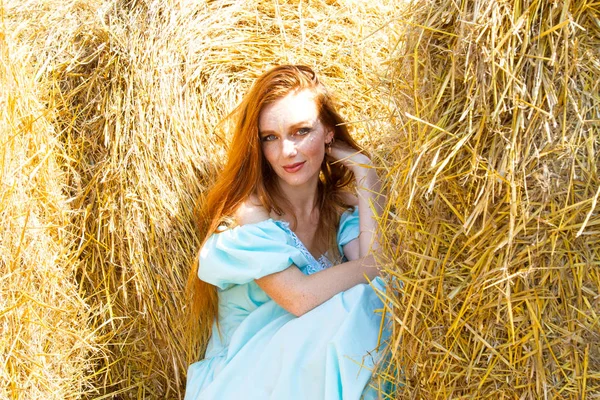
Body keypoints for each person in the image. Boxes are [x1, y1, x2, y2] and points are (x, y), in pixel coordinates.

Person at [185, 65, 389, 400]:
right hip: (247, 378)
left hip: (312, 369)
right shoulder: (250, 216)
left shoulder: (337, 210)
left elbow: (376, 276)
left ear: (328, 132)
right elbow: (300, 297)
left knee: (375, 302)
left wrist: (367, 173)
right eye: (271, 138)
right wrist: (381, 263)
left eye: (301, 131)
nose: (286, 152)